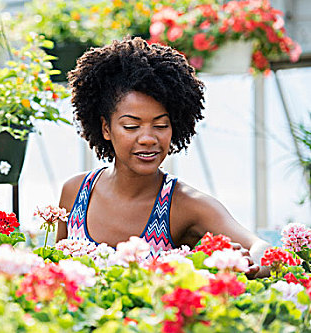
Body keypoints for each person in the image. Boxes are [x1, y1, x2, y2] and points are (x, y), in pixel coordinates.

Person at [56, 36, 270, 278]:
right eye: (131, 126)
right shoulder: (75, 193)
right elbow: (56, 271)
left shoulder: (186, 204)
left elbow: (261, 248)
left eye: (160, 125)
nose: (148, 138)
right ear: (106, 128)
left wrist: (252, 265)